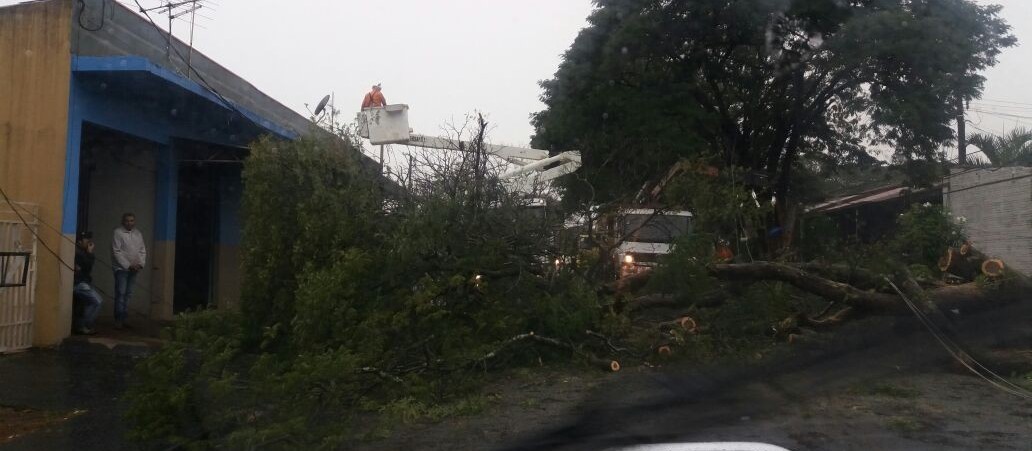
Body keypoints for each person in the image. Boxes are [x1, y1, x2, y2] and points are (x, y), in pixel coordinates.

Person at [111, 212, 146, 329]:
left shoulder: (138, 233)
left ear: (134, 221)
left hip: (134, 269)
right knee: (121, 293)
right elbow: (116, 251)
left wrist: (140, 264)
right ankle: (118, 320)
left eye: (131, 220)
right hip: (121, 269)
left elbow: (142, 250)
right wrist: (127, 265)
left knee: (128, 294)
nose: (129, 223)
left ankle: (125, 318)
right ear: (123, 221)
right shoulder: (118, 232)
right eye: (127, 220)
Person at [73, 231, 102, 335]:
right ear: (79, 242)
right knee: (97, 301)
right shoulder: (78, 253)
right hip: (79, 283)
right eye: (86, 239)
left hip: (83, 282)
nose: (89, 241)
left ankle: (82, 325)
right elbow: (87, 266)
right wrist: (90, 253)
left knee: (84, 305)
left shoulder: (82, 252)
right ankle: (84, 325)